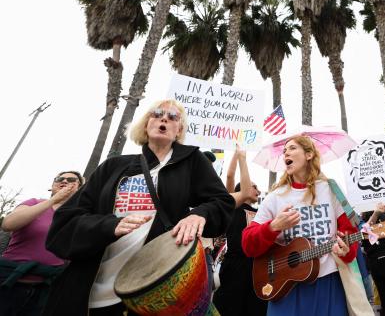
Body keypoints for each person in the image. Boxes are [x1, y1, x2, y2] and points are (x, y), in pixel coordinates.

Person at [43, 99, 235, 316]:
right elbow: (65, 223)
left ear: (179, 129)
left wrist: (199, 215)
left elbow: (222, 201)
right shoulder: (113, 166)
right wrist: (109, 226)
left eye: (173, 117)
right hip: (91, 293)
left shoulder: (192, 162)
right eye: (157, 114)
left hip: (154, 293)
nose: (164, 118)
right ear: (146, 124)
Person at [241, 135, 358, 316]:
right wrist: (273, 227)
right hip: (286, 287)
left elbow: (350, 233)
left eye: (292, 148)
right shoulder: (275, 197)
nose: (286, 152)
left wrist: (347, 251)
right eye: (284, 150)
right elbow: (248, 244)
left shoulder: (331, 190)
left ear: (309, 154)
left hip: (328, 283)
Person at [0, 171, 81, 316]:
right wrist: (53, 200)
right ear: (52, 186)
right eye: (60, 179)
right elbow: (8, 224)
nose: (64, 181)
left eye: (71, 180)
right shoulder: (33, 203)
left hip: (44, 290)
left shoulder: (79, 216)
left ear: (80, 187)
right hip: (8, 281)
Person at [213, 146, 267, 316]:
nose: (258, 190)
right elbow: (230, 175)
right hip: (235, 265)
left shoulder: (261, 213)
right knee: (230, 308)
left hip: (256, 267)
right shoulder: (232, 206)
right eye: (254, 186)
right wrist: (239, 155)